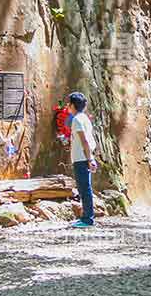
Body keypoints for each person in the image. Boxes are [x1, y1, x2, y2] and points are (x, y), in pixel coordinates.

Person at [67, 91, 97, 228]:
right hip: (83, 157)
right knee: (85, 188)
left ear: (73, 105)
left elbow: (84, 140)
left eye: (69, 103)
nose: (67, 106)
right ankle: (87, 218)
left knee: (84, 189)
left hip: (81, 159)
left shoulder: (77, 119)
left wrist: (89, 159)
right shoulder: (84, 118)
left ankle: (87, 219)